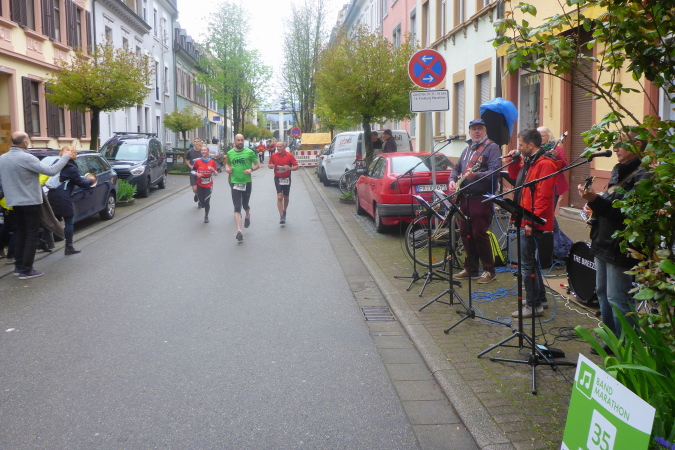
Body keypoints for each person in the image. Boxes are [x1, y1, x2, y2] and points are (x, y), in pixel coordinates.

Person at [578, 133, 649, 348]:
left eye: (620, 144)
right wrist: (594, 204)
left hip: (621, 246)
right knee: (602, 293)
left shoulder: (644, 175)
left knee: (618, 299)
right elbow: (612, 202)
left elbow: (625, 214)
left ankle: (628, 348)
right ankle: (611, 341)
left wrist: (595, 200)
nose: (615, 148)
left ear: (637, 144)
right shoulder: (619, 169)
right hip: (603, 241)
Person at [0, 131, 72, 279]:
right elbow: (51, 171)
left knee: (21, 232)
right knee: (31, 235)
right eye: (28, 140)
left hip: (13, 202)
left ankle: (19, 267)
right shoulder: (27, 157)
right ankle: (27, 270)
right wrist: (65, 157)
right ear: (24, 142)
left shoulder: (3, 158)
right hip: (30, 201)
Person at [506, 128, 559, 318]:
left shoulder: (545, 164)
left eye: (521, 145)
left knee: (526, 265)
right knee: (531, 262)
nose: (518, 148)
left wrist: (530, 222)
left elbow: (544, 197)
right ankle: (540, 299)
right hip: (526, 217)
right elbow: (516, 179)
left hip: (534, 221)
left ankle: (533, 305)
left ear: (531, 144)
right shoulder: (530, 162)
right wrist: (514, 161)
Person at [448, 119, 501, 284]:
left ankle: (489, 270)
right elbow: (457, 168)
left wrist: (476, 175)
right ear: (469, 132)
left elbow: (495, 172)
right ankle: (471, 268)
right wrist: (452, 179)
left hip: (481, 198)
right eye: (473, 129)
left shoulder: (492, 148)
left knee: (479, 234)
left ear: (485, 131)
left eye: (480, 129)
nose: (476, 132)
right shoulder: (467, 149)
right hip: (465, 197)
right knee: (465, 233)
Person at [47, 145, 96, 255]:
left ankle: (43, 241)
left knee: (52, 220)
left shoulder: (56, 163)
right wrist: (91, 180)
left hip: (52, 194)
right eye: (73, 152)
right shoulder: (71, 168)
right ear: (73, 154)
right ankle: (69, 247)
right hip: (63, 196)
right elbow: (81, 183)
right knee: (69, 220)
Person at [225, 134, 260, 242]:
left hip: (246, 182)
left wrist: (251, 170)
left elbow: (257, 165)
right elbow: (227, 164)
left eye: (242, 140)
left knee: (245, 205)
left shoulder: (249, 152)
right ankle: (239, 231)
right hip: (235, 182)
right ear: (235, 141)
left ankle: (248, 214)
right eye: (238, 140)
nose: (240, 142)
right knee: (237, 207)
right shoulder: (230, 153)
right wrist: (227, 169)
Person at [268, 141, 298, 224]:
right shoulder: (274, 155)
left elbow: (296, 166)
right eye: (277, 147)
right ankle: (281, 216)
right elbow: (269, 164)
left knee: (286, 197)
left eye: (280, 146)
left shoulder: (290, 156)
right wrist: (270, 166)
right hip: (278, 178)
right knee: (280, 196)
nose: (278, 148)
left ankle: (284, 211)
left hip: (287, 178)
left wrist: (290, 168)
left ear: (284, 147)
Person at [192, 145, 219, 223]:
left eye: (205, 150)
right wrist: (196, 173)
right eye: (202, 150)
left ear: (208, 152)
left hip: (209, 184)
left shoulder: (212, 162)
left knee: (207, 201)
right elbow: (192, 171)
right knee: (202, 203)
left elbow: (216, 174)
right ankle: (197, 196)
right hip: (200, 184)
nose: (203, 152)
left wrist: (213, 171)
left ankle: (206, 216)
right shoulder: (197, 161)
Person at [186, 138, 203, 207]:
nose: (196, 143)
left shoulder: (202, 151)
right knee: (195, 189)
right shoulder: (190, 152)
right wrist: (190, 166)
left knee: (200, 187)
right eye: (195, 141)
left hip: (201, 172)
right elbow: (186, 160)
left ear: (200, 143)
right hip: (193, 172)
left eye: (198, 141)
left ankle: (200, 201)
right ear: (193, 143)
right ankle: (196, 194)